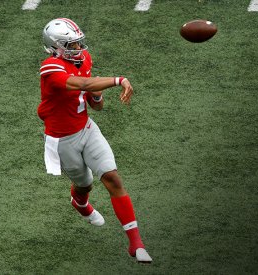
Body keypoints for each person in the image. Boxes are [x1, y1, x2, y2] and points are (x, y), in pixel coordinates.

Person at [37, 18, 152, 263]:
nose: (79, 49)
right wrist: (117, 80)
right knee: (85, 184)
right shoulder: (50, 67)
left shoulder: (84, 60)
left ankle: (135, 243)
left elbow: (93, 101)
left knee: (112, 177)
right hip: (62, 140)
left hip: (87, 129)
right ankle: (80, 203)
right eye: (72, 45)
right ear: (56, 47)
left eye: (79, 43)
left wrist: (97, 98)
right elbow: (84, 83)